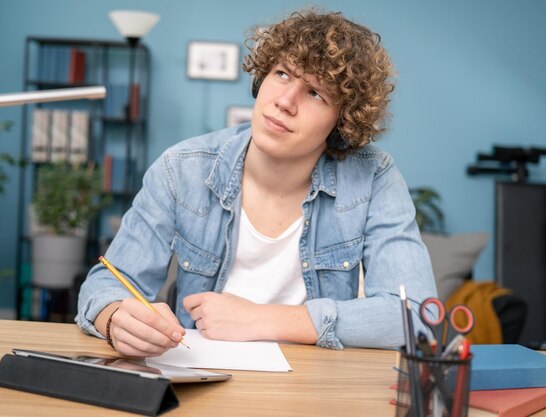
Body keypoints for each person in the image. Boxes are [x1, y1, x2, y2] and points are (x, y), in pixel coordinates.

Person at [76, 8, 437, 357]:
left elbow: (418, 318)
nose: (284, 101)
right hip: (198, 376)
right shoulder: (180, 170)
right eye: (282, 73)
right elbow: (108, 283)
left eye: (315, 93)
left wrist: (260, 319)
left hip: (316, 388)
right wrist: (115, 319)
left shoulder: (374, 178)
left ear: (342, 121)